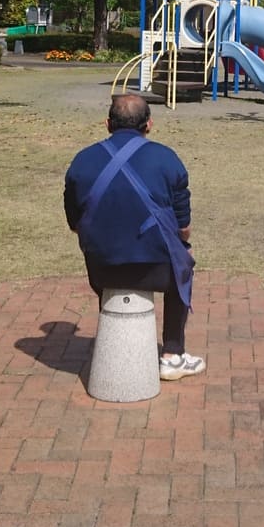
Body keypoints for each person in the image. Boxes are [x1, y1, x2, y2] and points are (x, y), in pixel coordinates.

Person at [64, 93, 201, 380]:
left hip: (102, 272)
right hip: (157, 272)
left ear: (107, 124)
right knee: (184, 260)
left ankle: (116, 331)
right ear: (149, 124)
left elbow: (76, 225)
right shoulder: (167, 159)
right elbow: (183, 227)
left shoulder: (81, 161)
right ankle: (173, 354)